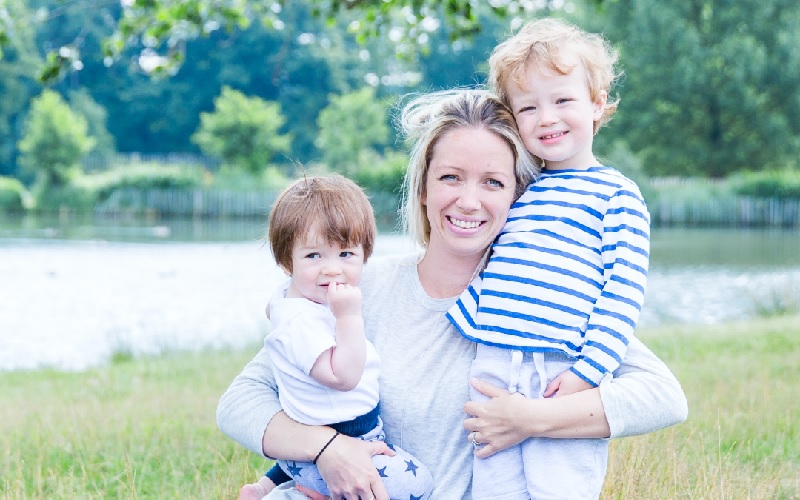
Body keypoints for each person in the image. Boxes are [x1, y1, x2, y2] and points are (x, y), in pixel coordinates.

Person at [217, 89, 688, 500]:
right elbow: (241, 402)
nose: (468, 200)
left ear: (517, 196)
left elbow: (663, 397)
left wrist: (531, 418)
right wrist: (329, 449)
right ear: (423, 187)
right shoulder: (361, 288)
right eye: (450, 177)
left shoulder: (542, 298)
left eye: (493, 182)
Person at [446, 17, 651, 499]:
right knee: (494, 485)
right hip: (496, 361)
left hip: (562, 370)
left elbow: (622, 294)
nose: (547, 117)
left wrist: (588, 372)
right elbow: (497, 263)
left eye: (563, 100)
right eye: (529, 107)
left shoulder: (616, 195)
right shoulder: (519, 188)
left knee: (559, 487)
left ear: (597, 105)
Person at [240, 175, 433, 500]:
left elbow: (271, 307)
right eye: (314, 256)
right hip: (344, 434)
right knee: (417, 484)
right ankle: (293, 493)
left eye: (346, 254)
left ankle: (268, 486)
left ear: (365, 255)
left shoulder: (292, 300)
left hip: (320, 434)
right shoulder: (304, 322)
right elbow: (343, 377)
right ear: (288, 261)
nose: (331, 269)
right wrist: (348, 317)